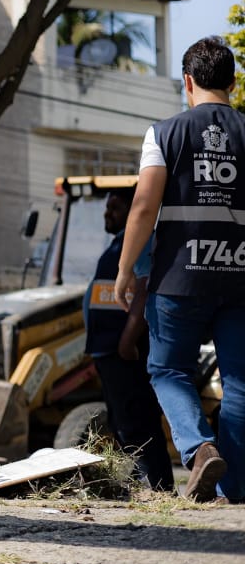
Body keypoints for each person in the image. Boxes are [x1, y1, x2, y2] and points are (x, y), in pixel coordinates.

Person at [116, 36, 244, 504]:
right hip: (240, 279)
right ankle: (235, 490)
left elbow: (144, 206)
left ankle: (199, 446)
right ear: (232, 82)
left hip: (180, 277)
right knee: (241, 383)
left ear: (187, 82)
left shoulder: (163, 133)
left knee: (168, 369)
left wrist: (126, 269)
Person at [84, 186, 174, 492]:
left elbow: (144, 288)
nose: (108, 213)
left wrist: (127, 338)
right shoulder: (118, 246)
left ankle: (158, 487)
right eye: (107, 207)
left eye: (116, 207)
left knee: (138, 422)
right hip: (107, 350)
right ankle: (141, 484)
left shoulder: (139, 242)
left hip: (123, 349)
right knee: (123, 425)